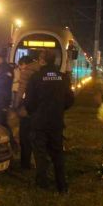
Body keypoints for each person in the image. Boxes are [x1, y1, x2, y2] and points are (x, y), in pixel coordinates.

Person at [25, 49, 74, 193]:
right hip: (56, 122)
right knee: (57, 153)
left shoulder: (35, 77)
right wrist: (59, 109)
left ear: (42, 60)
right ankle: (61, 185)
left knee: (40, 153)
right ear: (55, 61)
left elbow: (29, 101)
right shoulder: (63, 77)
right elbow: (70, 99)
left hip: (39, 122)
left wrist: (34, 113)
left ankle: (42, 183)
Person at [13, 55, 41, 169]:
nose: (21, 69)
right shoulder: (41, 71)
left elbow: (21, 91)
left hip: (28, 109)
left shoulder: (26, 72)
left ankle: (25, 164)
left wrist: (16, 105)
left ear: (25, 64)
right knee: (38, 137)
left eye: (21, 66)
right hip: (40, 110)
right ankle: (39, 163)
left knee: (25, 137)